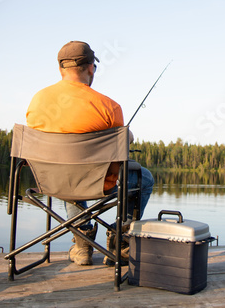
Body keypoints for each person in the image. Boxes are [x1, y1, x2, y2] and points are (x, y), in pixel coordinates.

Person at [26, 41, 154, 266]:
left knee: (67, 174)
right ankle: (119, 240)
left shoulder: (38, 101)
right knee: (144, 178)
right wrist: (128, 136)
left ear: (60, 69)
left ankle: (82, 244)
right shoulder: (108, 106)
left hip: (50, 180)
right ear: (91, 68)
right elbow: (120, 150)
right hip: (97, 182)